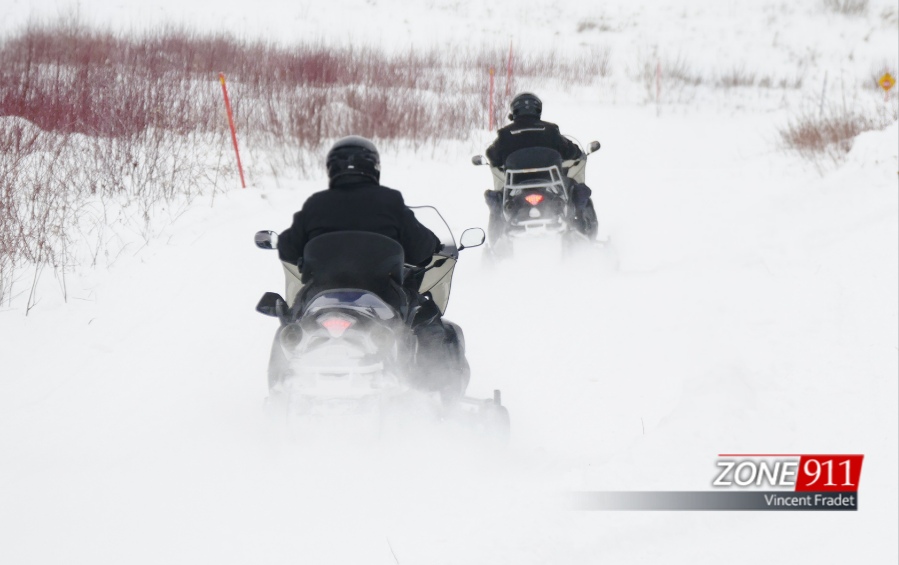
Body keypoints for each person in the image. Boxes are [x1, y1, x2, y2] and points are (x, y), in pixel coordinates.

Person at [276, 135, 469, 402]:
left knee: (290, 325)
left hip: (321, 296)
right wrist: (433, 248)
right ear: (374, 167)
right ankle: (441, 398)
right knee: (427, 320)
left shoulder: (316, 204)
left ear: (332, 168)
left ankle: (281, 391)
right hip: (382, 297)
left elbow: (287, 247)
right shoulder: (390, 202)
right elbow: (423, 248)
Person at [483, 92, 597, 239]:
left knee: (498, 200)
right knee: (576, 189)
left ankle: (496, 241)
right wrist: (576, 153)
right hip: (551, 186)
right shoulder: (550, 130)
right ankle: (584, 228)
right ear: (538, 109)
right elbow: (570, 151)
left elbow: (492, 156)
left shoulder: (504, 134)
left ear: (514, 111)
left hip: (516, 189)